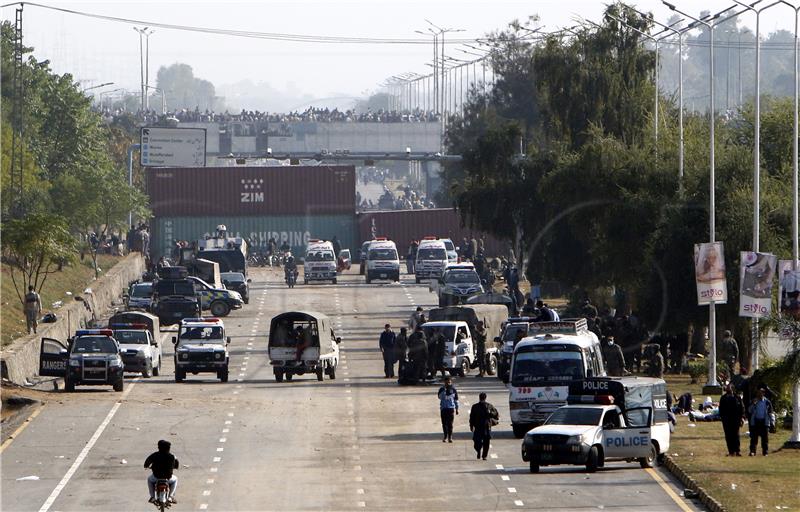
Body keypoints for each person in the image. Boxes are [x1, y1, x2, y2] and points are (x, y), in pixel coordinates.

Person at [144, 440, 179, 504]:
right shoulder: (172, 456)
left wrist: (147, 466)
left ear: (159, 447)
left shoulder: (154, 455)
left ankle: (152, 497)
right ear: (168, 448)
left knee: (149, 480)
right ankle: (170, 496)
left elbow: (146, 463)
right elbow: (177, 464)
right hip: (168, 478)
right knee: (175, 479)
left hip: (156, 477)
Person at [469, 392, 499, 460]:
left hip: (486, 427)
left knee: (486, 442)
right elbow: (472, 417)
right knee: (477, 442)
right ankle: (479, 451)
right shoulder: (475, 406)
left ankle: (484, 455)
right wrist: (471, 425)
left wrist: (490, 412)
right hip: (479, 426)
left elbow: (496, 414)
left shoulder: (489, 406)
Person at [719, 384, 745, 456]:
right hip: (727, 420)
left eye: (729, 388)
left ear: (732, 389)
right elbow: (721, 409)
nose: (728, 389)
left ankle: (737, 451)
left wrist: (742, 417)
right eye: (727, 388)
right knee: (728, 435)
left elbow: (742, 408)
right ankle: (731, 451)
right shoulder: (723, 398)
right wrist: (723, 418)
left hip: (736, 419)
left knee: (736, 435)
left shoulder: (737, 397)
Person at [748, 388, 774, 456]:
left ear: (763, 393)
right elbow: (749, 411)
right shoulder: (754, 401)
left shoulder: (767, 402)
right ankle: (752, 451)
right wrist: (753, 404)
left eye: (760, 393)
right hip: (756, 422)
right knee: (754, 438)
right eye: (758, 393)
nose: (759, 394)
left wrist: (772, 423)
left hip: (764, 422)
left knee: (765, 439)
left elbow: (771, 413)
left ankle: (765, 452)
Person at [438, 376, 459, 443]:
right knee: (444, 423)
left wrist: (457, 408)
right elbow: (439, 397)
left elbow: (456, 400)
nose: (448, 384)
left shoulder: (453, 390)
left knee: (450, 424)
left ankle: (450, 437)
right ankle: (445, 436)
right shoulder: (441, 389)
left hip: (451, 408)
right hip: (443, 409)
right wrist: (444, 391)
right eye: (446, 383)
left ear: (451, 382)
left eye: (449, 382)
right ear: (444, 382)